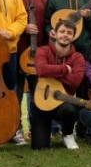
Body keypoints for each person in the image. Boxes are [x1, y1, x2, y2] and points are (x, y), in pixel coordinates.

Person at [8, 0, 48, 145]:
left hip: (36, 55)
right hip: (14, 52)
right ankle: (14, 131)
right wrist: (22, 27)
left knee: (36, 95)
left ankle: (36, 131)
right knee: (14, 94)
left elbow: (47, 22)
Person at [32, 19, 84, 150]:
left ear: (73, 36)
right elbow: (41, 70)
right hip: (41, 101)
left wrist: (51, 74)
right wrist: (65, 69)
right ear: (54, 34)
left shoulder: (78, 57)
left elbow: (75, 81)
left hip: (63, 101)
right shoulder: (42, 51)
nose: (65, 35)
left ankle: (67, 134)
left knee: (70, 109)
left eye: (69, 33)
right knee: (40, 147)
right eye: (62, 31)